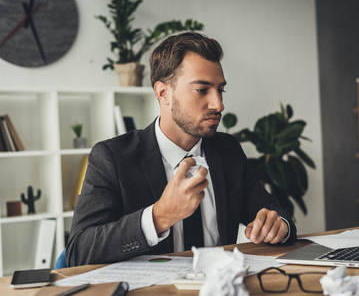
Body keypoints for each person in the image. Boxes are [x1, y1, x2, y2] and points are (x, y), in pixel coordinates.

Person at [66, 32, 297, 267]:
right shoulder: (112, 158)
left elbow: (276, 215)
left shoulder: (228, 150)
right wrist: (159, 217)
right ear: (163, 92)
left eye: (220, 90)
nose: (218, 104)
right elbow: (79, 251)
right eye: (202, 90)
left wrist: (278, 226)